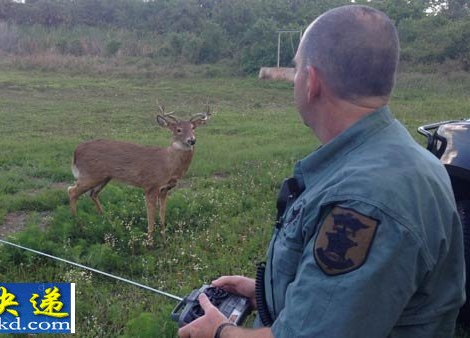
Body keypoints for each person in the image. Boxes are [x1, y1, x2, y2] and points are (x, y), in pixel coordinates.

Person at [178, 5, 465, 338]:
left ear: (312, 82)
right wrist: (268, 294)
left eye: (297, 69)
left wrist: (220, 332)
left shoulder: (366, 200)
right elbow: (357, 300)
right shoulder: (399, 159)